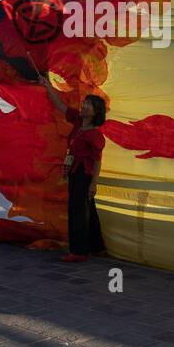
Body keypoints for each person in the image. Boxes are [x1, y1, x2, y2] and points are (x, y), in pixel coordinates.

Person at [37, 72, 107, 262]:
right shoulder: (77, 121)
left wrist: (93, 183)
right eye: (84, 103)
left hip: (84, 175)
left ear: (96, 111)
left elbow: (97, 161)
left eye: (88, 105)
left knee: (78, 211)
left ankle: (78, 251)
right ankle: (97, 247)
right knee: (87, 210)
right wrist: (47, 87)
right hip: (75, 172)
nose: (84, 106)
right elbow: (60, 105)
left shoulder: (94, 134)